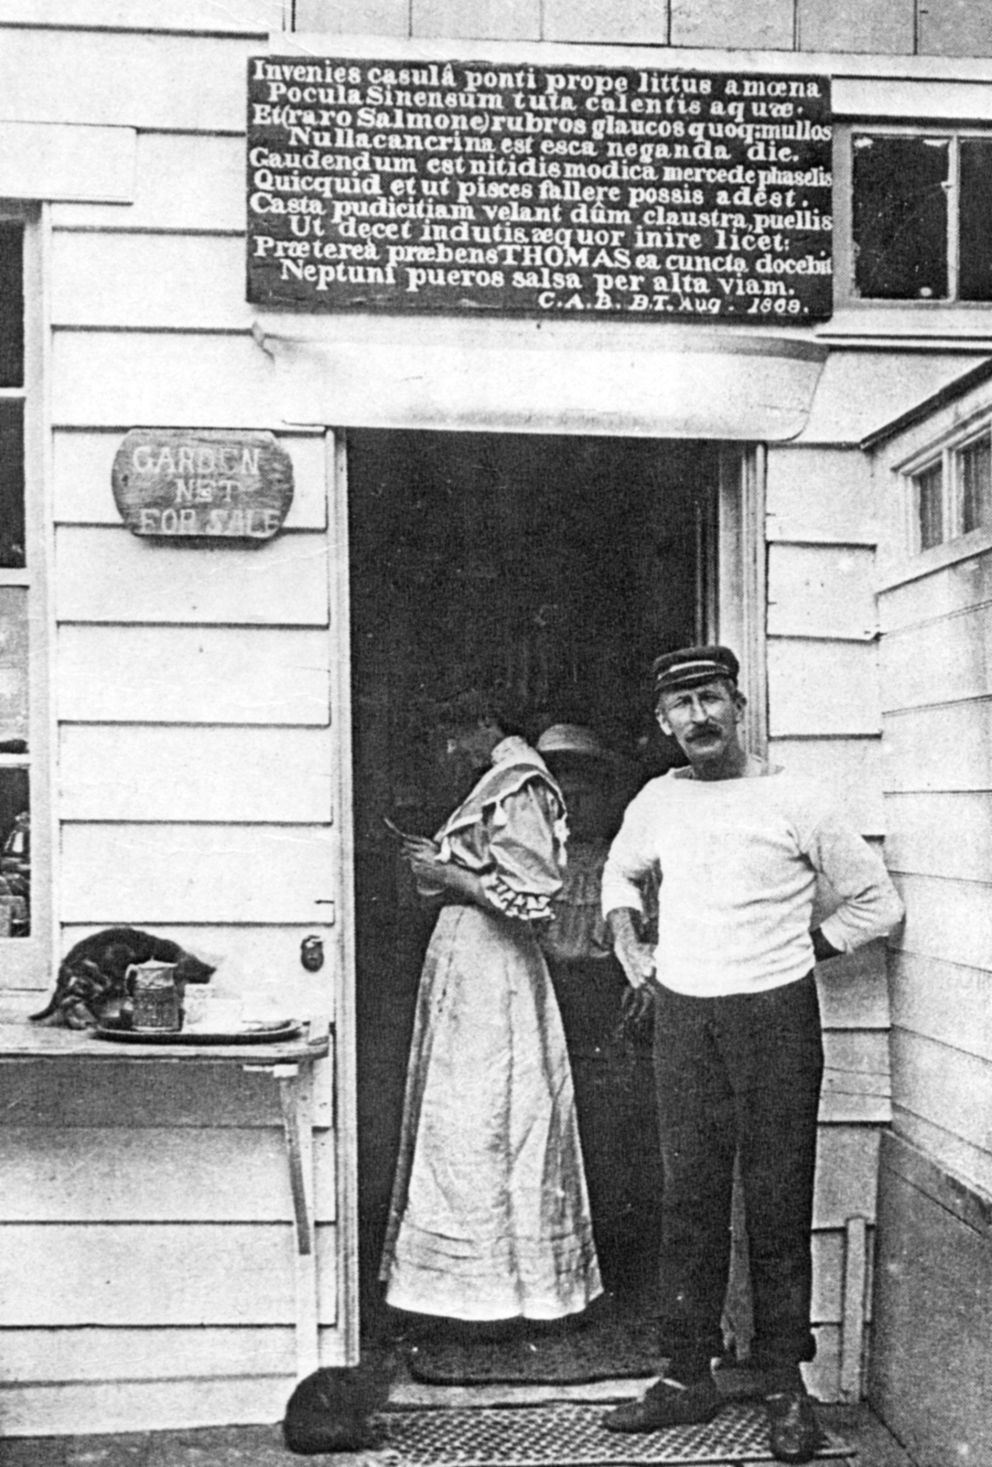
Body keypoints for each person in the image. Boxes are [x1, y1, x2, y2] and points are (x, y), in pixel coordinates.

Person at [600, 645, 903, 1464]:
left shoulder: (795, 796)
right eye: (680, 706)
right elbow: (620, 877)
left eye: (710, 698)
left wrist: (809, 947)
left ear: (738, 704)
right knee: (689, 1199)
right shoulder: (658, 799)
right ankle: (685, 1375)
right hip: (684, 1017)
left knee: (774, 1205)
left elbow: (879, 901)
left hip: (776, 1019)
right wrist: (631, 944)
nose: (697, 717)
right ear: (663, 722)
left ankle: (783, 1387)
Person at [379, 705, 603, 1328]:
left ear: (484, 723)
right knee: (461, 1121)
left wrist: (449, 872)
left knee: (491, 1119)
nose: (450, 751)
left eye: (454, 737)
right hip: (468, 963)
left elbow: (534, 900)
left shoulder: (520, 782)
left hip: (493, 968)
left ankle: (504, 1292)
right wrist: (439, 866)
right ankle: (460, 1291)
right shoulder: (497, 781)